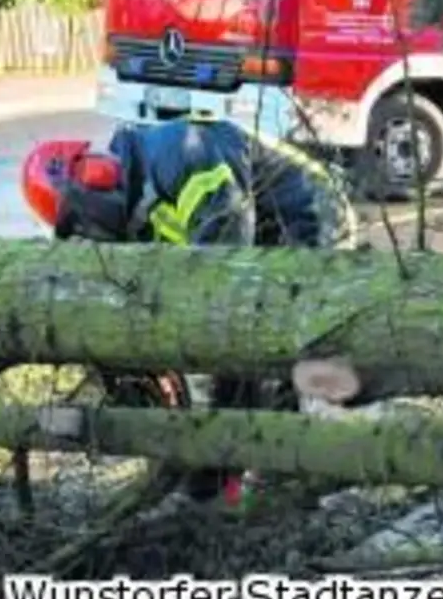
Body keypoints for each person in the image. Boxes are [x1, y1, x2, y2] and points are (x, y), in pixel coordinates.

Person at [21, 113, 358, 503]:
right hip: (258, 243)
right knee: (233, 345)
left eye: (80, 223)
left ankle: (256, 475)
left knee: (248, 343)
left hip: (310, 218)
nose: (89, 235)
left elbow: (225, 257)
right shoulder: (136, 205)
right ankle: (246, 468)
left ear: (94, 179)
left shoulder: (181, 153)